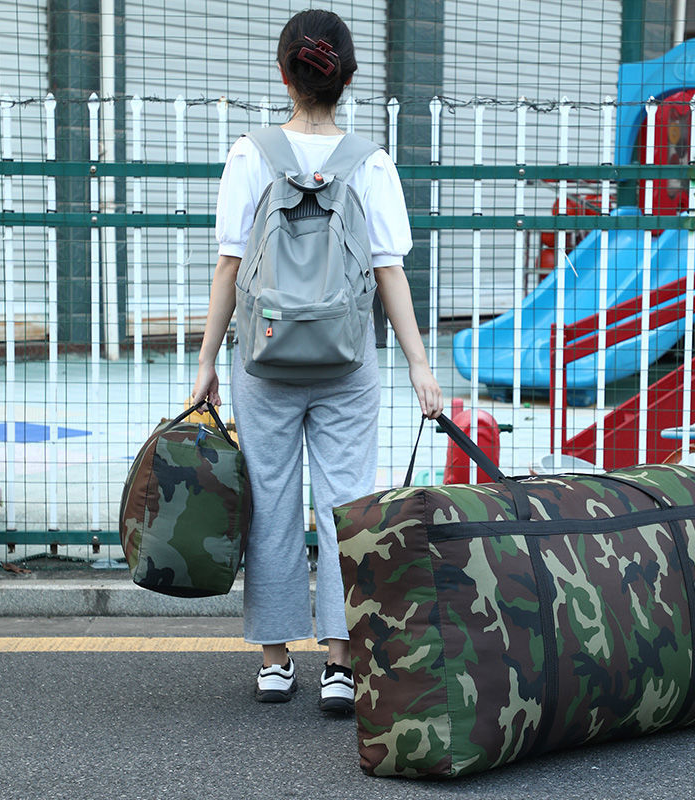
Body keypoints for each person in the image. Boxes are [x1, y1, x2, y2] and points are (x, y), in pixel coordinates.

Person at [191, 8, 443, 714]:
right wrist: (420, 366)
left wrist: (207, 361)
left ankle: (275, 662)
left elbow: (229, 266)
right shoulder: (372, 162)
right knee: (346, 506)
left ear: (284, 74)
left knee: (270, 502)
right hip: (347, 360)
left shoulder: (250, 155)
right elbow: (389, 270)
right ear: (348, 79)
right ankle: (339, 662)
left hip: (263, 358)